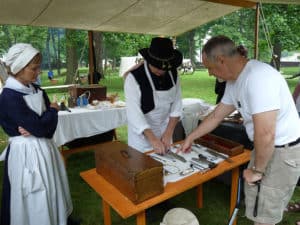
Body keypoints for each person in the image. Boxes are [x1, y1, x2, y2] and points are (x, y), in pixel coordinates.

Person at [179, 35, 300, 225]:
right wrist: (191, 137)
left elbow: (266, 134)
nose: (210, 73)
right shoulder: (234, 81)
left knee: (265, 216)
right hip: (265, 148)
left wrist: (258, 171)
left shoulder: (259, 78)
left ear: (221, 60)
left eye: (210, 67)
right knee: (256, 205)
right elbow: (216, 116)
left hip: (283, 152)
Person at [0, 43, 73, 225]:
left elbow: (46, 130)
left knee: (50, 188)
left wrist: (44, 118)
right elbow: (41, 127)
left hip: (45, 148)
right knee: (33, 194)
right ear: (18, 68)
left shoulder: (37, 90)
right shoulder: (8, 97)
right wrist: (51, 113)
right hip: (25, 154)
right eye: (34, 68)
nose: (38, 72)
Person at [124, 37, 183, 154]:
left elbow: (177, 105)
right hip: (142, 136)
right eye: (157, 67)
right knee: (143, 169)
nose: (161, 71)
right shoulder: (134, 77)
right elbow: (134, 113)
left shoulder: (173, 74)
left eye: (164, 68)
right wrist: (153, 139)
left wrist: (168, 133)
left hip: (165, 131)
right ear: (149, 60)